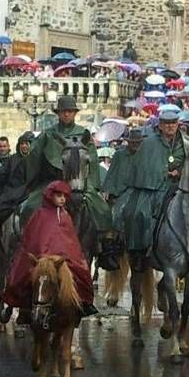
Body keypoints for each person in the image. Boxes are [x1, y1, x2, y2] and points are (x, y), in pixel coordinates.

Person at [22, 95, 115, 269]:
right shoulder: (47, 134)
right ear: (58, 113)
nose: (67, 115)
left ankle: (105, 248)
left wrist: (93, 185)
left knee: (102, 209)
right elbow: (34, 158)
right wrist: (33, 181)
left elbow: (93, 161)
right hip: (52, 182)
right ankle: (25, 242)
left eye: (70, 111)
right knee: (29, 207)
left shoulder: (84, 134)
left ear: (74, 114)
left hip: (79, 182)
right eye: (64, 111)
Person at [123, 111, 189, 272]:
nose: (170, 126)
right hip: (155, 189)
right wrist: (164, 172)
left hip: (182, 189)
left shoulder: (187, 143)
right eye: (166, 123)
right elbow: (142, 169)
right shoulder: (148, 144)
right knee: (138, 213)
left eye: (173, 123)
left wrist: (181, 171)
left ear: (178, 124)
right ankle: (141, 251)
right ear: (160, 126)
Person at [3, 180, 98, 321]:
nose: (62, 199)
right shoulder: (40, 215)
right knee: (22, 273)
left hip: (63, 257)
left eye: (64, 196)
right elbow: (34, 239)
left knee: (81, 273)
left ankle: (83, 303)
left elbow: (71, 242)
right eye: (59, 196)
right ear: (50, 196)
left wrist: (72, 256)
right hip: (42, 256)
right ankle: (16, 306)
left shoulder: (65, 215)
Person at [0, 132, 34, 254]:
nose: (24, 146)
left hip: (30, 192)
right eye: (22, 144)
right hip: (11, 192)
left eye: (27, 144)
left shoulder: (36, 160)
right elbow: (1, 176)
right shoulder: (12, 159)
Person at [103, 128, 143, 237]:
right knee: (113, 213)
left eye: (138, 143)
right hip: (119, 190)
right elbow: (111, 173)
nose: (135, 145)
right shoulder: (119, 155)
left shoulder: (144, 155)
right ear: (128, 142)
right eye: (133, 142)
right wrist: (106, 189)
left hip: (137, 191)